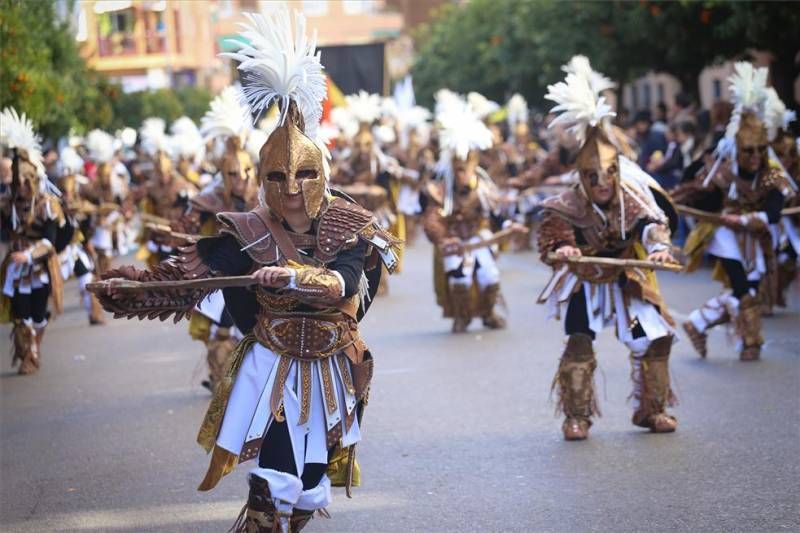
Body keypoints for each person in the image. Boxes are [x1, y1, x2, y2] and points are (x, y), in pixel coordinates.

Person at [90, 7, 401, 532]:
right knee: (273, 477)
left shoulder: (349, 222)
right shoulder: (245, 230)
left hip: (332, 364)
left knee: (311, 487)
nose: (294, 190)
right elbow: (190, 281)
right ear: (263, 177)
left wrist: (295, 275)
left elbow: (346, 282)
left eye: (305, 175)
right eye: (279, 176)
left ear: (320, 173)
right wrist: (130, 289)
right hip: (274, 362)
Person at [538, 58, 679, 441]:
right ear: (582, 177)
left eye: (608, 174)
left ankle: (652, 409)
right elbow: (552, 233)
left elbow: (652, 223)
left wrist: (659, 249)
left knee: (651, 335)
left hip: (626, 277)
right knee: (580, 340)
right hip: (585, 280)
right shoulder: (568, 201)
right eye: (593, 177)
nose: (602, 183)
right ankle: (577, 416)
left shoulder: (629, 198)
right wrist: (565, 249)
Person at [676, 63, 792, 361]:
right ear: (737, 148)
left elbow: (775, 210)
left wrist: (754, 218)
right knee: (743, 289)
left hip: (754, 234)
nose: (755, 157)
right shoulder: (721, 172)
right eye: (748, 151)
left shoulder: (771, 175)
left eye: (760, 150)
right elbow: (695, 194)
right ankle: (749, 343)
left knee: (751, 288)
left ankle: (699, 321)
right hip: (725, 235)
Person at [421, 96, 521, 333]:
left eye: (465, 169)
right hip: (454, 240)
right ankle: (461, 316)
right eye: (458, 169)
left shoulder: (484, 187)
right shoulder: (441, 190)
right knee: (460, 280)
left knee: (490, 277)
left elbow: (497, 214)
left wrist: (509, 224)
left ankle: (487, 313)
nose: (462, 174)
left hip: (479, 238)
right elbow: (432, 219)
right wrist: (444, 239)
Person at [0, 107, 66, 375]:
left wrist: (28, 256)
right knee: (20, 315)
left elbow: (52, 240)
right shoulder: (6, 205)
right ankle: (27, 353)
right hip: (15, 268)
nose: (23, 188)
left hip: (39, 267)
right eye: (18, 182)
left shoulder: (48, 205)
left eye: (27, 182)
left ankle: (34, 347)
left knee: (38, 314)